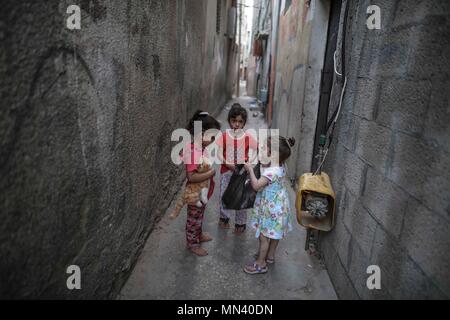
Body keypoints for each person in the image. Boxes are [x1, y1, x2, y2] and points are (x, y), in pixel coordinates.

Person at [242, 136, 296, 274]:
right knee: (274, 233)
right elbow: (267, 165)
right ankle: (270, 256)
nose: (261, 150)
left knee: (264, 236)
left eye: (264, 148)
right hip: (279, 206)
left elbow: (256, 186)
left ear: (272, 154)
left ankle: (260, 264)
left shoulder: (271, 173)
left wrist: (250, 170)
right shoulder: (281, 166)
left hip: (270, 208)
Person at [182, 110, 221, 256]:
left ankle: (198, 235)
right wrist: (210, 173)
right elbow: (191, 176)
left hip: (201, 192)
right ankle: (192, 243)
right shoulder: (193, 152)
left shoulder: (201, 148)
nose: (213, 140)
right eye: (212, 136)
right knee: (193, 219)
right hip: (194, 193)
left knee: (199, 215)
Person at [216, 103, 258, 234]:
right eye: (234, 121)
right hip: (226, 172)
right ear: (229, 121)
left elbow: (256, 149)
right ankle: (224, 219)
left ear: (244, 123)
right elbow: (218, 153)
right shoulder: (224, 136)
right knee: (225, 195)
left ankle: (240, 224)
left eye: (240, 121)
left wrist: (249, 162)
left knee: (241, 197)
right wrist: (227, 163)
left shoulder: (247, 137)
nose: (237, 124)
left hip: (241, 173)